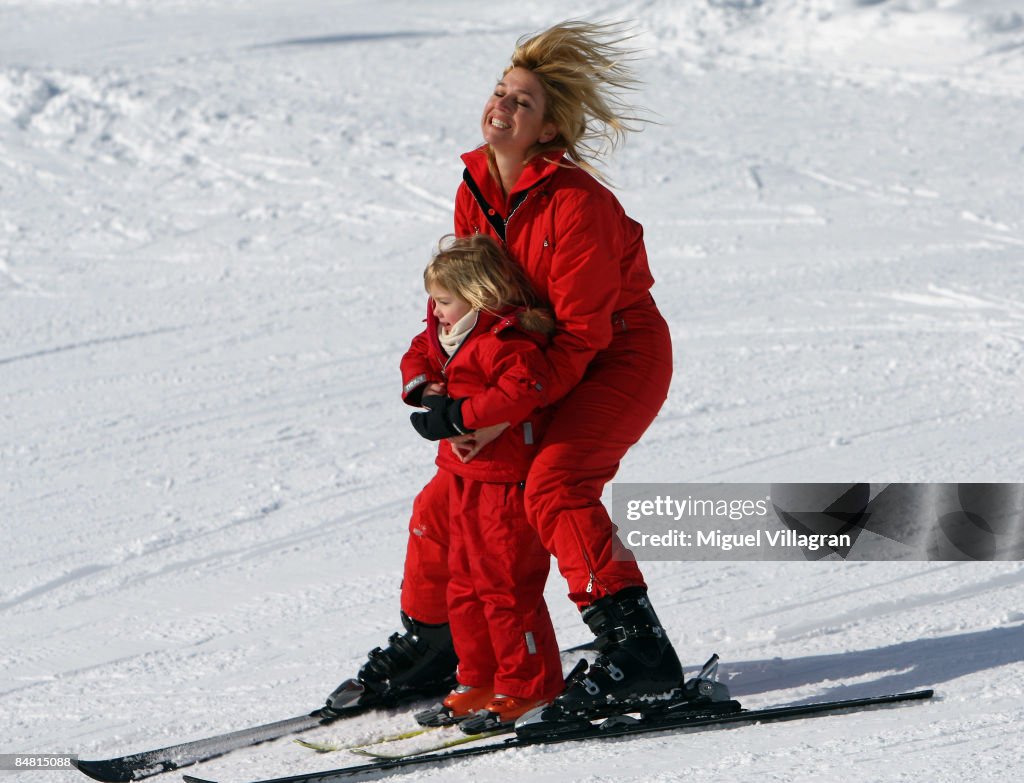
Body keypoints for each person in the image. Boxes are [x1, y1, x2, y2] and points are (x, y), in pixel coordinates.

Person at [325, 20, 681, 728]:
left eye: (522, 102)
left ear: (549, 129)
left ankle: (639, 653)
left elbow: (580, 337)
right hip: (522, 363)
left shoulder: (580, 206)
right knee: (443, 502)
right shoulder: (477, 188)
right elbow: (464, 305)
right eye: (499, 92)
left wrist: (488, 413)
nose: (502, 107)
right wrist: (444, 388)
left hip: (614, 356)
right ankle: (438, 644)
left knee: (556, 483)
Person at [404, 234, 565, 731]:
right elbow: (418, 352)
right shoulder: (447, 333)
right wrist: (423, 386)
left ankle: (529, 684)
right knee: (464, 585)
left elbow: (524, 390)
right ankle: (479, 677)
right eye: (433, 299)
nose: (436, 310)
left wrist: (461, 417)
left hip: (504, 481)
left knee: (506, 586)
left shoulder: (507, 342)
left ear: (479, 297)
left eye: (445, 300)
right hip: (461, 477)